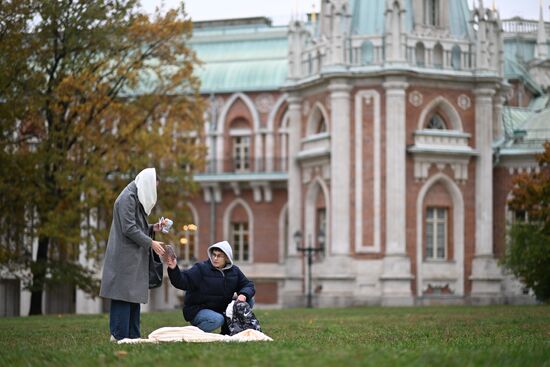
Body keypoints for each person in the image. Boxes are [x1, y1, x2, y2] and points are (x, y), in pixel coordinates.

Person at [99, 167, 167, 341]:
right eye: (154, 187)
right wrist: (150, 243)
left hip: (133, 257)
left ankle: (133, 336)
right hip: (124, 257)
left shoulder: (135, 197)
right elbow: (129, 228)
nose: (154, 191)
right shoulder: (127, 198)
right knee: (123, 296)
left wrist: (153, 228)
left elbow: (136, 226)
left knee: (133, 296)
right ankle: (119, 335)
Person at [166, 240, 255, 334]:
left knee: (248, 301)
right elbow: (181, 281)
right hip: (198, 310)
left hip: (221, 309)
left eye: (219, 256)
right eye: (214, 255)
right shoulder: (201, 268)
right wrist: (173, 268)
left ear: (227, 258)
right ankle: (192, 334)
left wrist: (243, 295)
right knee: (217, 319)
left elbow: (248, 285)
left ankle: (227, 329)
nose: (215, 258)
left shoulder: (234, 271)